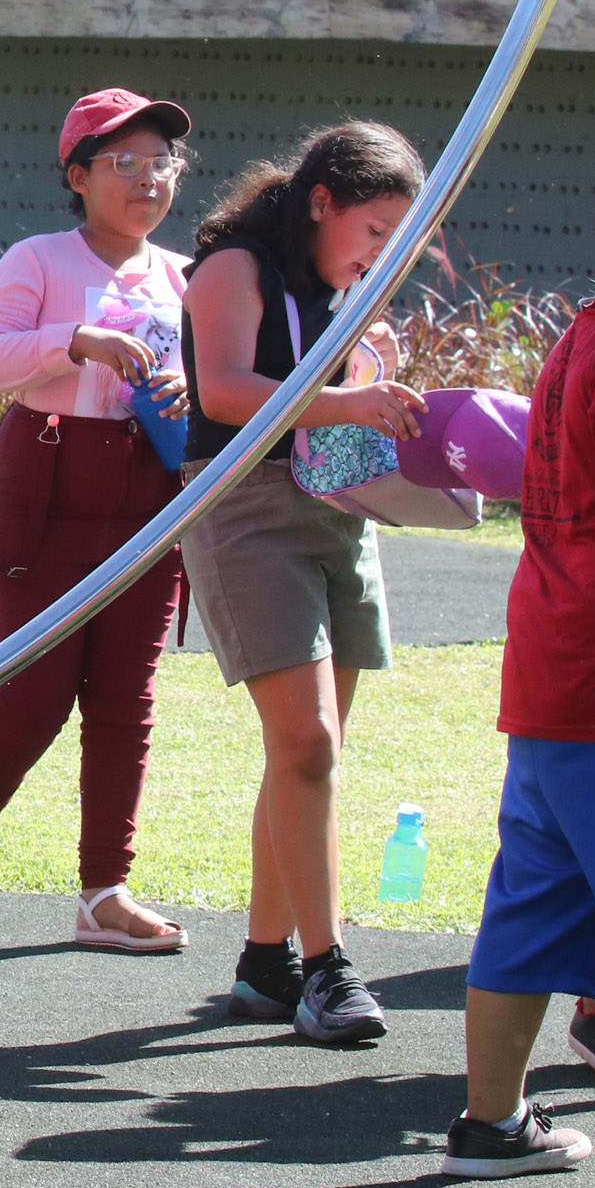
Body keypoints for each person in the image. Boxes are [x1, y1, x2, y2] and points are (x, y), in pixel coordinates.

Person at [178, 121, 428, 1044]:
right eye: (373, 228)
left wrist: (377, 381)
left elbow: (337, 399)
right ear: (321, 200)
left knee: (308, 751)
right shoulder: (233, 269)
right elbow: (225, 392)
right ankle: (327, 967)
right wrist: (350, 398)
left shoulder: (346, 282)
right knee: (308, 740)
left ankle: (265, 960)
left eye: (396, 233)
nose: (381, 250)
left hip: (336, 500)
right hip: (245, 507)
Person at [0, 90, 196, 951]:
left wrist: (190, 393)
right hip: (47, 486)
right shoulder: (39, 258)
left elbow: (213, 389)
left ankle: (105, 890)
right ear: (78, 176)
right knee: (34, 684)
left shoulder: (184, 277)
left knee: (126, 699)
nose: (148, 179)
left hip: (151, 496)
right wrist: (79, 340)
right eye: (123, 164)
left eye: (162, 163)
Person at [437, 159, 595, 1176]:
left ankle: (492, 1119)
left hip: (553, 671)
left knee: (528, 906)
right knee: (530, 903)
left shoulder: (579, 335)